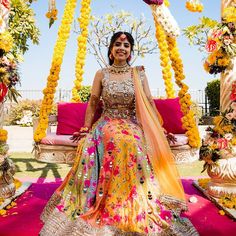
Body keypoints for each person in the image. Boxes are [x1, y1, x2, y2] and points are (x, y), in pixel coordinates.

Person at [40, 31, 198, 235]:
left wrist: (160, 127)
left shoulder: (138, 74)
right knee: (116, 138)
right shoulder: (101, 73)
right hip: (107, 121)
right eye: (117, 44)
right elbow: (94, 102)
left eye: (126, 45)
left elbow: (149, 102)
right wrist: (86, 127)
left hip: (131, 122)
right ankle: (110, 199)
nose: (122, 48)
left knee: (132, 140)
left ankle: (134, 198)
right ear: (111, 50)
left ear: (130, 51)